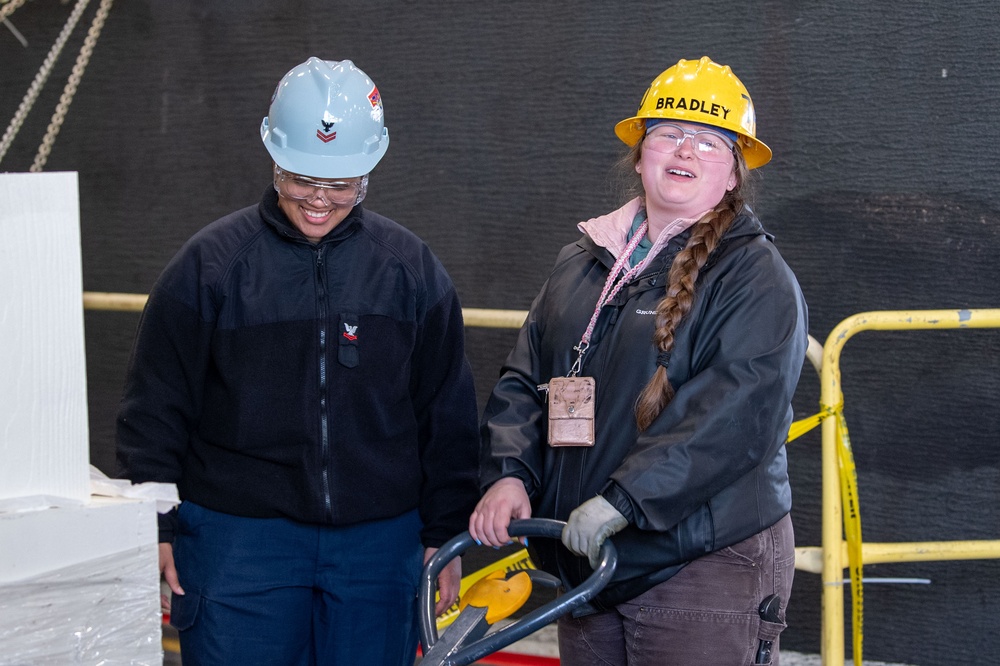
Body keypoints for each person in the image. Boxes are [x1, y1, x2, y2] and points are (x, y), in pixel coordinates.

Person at [116, 57, 480, 665]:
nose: (318, 200)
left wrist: (444, 534)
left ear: (368, 174)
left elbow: (446, 412)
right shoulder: (209, 267)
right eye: (301, 179)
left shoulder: (410, 271)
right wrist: (153, 526)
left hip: (379, 543)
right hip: (238, 542)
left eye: (339, 185)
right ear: (274, 159)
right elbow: (154, 406)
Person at [469, 56, 807, 665]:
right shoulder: (584, 259)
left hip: (701, 563)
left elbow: (734, 414)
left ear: (734, 172)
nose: (686, 148)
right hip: (589, 566)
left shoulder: (755, 278)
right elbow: (525, 377)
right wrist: (511, 473)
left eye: (708, 140)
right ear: (640, 154)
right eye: (669, 133)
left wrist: (623, 502)